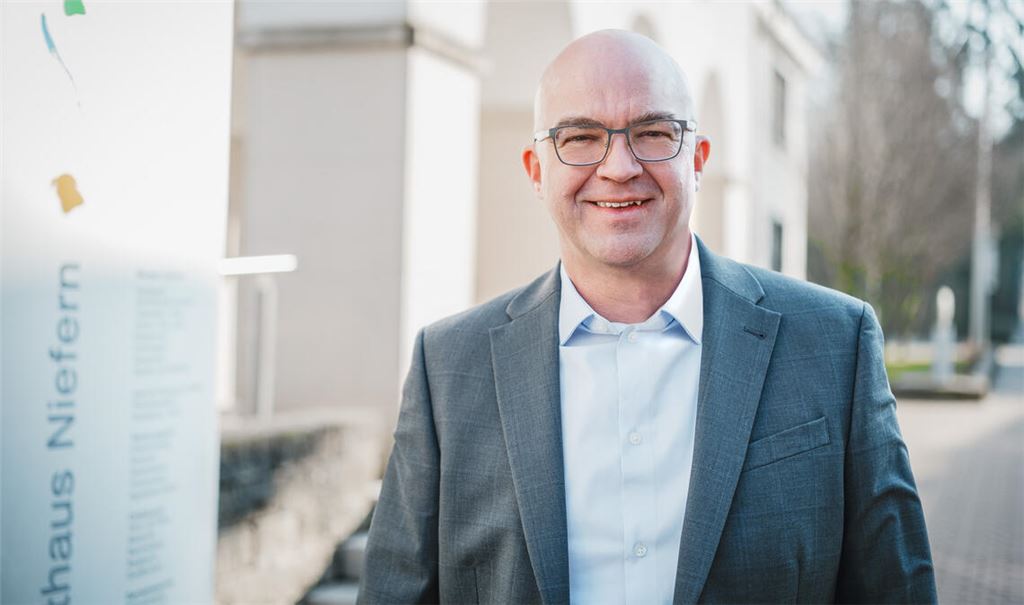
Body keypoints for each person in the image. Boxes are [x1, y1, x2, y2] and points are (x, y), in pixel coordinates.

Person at [359, 30, 936, 604]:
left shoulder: (836, 343)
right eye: (580, 137)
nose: (619, 167)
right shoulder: (447, 369)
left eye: (653, 133)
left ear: (698, 159)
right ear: (536, 171)